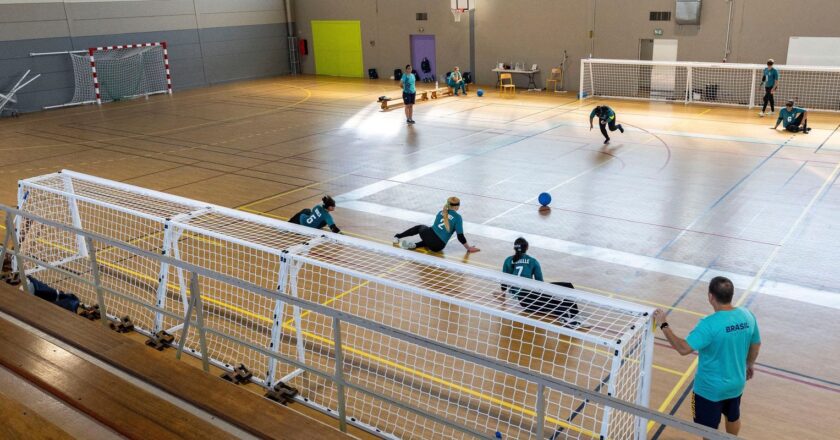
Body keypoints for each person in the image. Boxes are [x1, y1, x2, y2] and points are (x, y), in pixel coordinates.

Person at [653, 276, 761, 436]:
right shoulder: (747, 316)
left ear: (711, 297)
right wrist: (749, 364)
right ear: (731, 295)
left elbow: (683, 348)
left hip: (709, 390)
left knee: (707, 430)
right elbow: (756, 344)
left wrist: (663, 324)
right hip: (736, 384)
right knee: (733, 417)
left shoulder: (709, 324)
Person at [501, 238, 580, 324]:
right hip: (530, 297)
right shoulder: (533, 261)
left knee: (554, 302)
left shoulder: (508, 260)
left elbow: (504, 280)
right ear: (527, 247)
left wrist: (502, 295)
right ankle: (573, 316)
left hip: (524, 302)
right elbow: (540, 283)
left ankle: (568, 316)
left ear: (514, 248)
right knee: (568, 286)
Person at [393, 196, 479, 253]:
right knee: (431, 239)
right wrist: (468, 248)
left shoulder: (441, 212)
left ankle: (397, 236)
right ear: (457, 206)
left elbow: (433, 230)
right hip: (438, 247)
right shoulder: (458, 217)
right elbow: (460, 237)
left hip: (430, 238)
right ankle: (415, 245)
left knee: (421, 228)